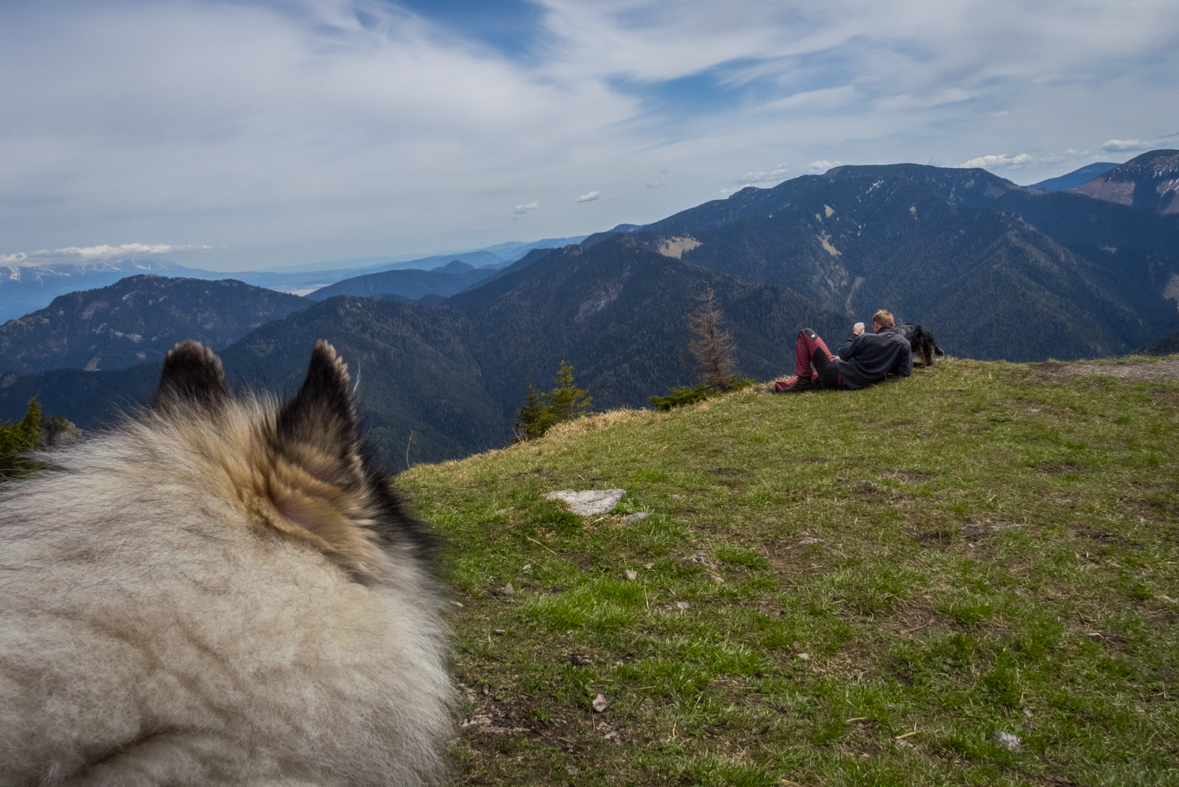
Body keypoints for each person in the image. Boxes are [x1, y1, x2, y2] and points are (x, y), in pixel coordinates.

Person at [772, 309, 912, 393]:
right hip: (848, 384)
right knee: (815, 375)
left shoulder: (866, 338)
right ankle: (779, 387)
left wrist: (855, 335)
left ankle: (803, 382)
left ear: (876, 325)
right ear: (893, 326)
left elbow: (844, 353)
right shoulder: (904, 345)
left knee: (805, 333)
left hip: (836, 375)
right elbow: (904, 372)